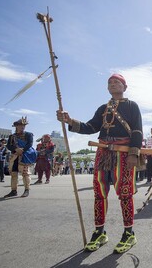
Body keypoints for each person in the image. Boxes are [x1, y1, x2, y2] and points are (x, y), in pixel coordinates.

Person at [57, 73, 142, 254]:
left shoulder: (132, 106)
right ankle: (99, 232)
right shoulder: (103, 108)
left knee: (125, 193)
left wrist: (134, 153)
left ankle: (129, 234)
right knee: (99, 192)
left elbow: (137, 130)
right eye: (110, 82)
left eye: (116, 82)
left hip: (123, 153)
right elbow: (91, 127)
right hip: (103, 153)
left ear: (124, 87)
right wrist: (70, 121)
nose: (113, 84)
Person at [4, 117, 37, 198]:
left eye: (23, 125)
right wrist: (16, 149)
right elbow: (8, 145)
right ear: (16, 126)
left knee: (25, 173)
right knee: (14, 174)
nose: (22, 127)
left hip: (24, 155)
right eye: (20, 125)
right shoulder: (12, 136)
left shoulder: (28, 134)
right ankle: (13, 190)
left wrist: (22, 150)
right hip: (14, 156)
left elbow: (29, 144)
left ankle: (27, 190)